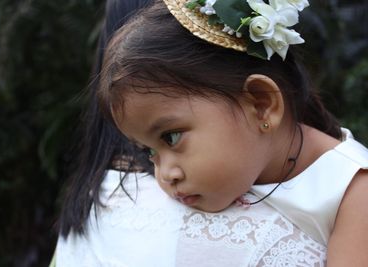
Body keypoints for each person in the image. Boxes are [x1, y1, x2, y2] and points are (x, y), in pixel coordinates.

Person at [96, 0, 368, 266]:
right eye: (149, 152)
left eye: (172, 137)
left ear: (261, 104)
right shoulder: (245, 164)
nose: (165, 175)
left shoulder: (353, 193)